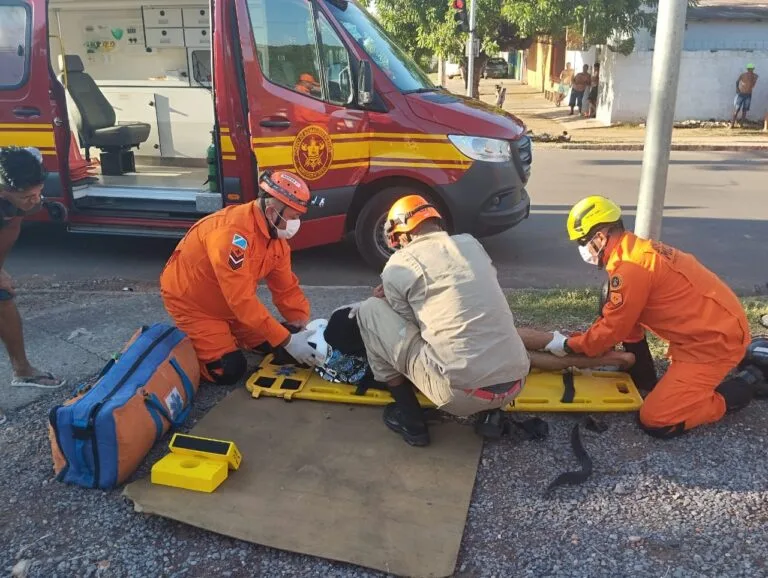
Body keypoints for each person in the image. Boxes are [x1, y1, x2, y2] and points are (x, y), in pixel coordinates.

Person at [348, 195, 636, 446]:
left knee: (369, 310)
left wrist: (388, 297)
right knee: (486, 331)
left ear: (402, 237)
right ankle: (492, 410)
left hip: (459, 396)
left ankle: (410, 421)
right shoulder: (470, 244)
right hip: (515, 383)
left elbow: (410, 328)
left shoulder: (398, 264)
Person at [544, 195, 761, 439]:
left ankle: (743, 386)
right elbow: (619, 319)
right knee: (616, 303)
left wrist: (569, 345)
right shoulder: (634, 253)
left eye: (582, 242)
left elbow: (610, 330)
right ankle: (645, 378)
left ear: (601, 236)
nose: (581, 249)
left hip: (714, 344)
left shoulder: (631, 268)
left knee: (656, 419)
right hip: (707, 329)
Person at [159, 169, 325, 385]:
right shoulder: (231, 235)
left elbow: (286, 289)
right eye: (294, 217)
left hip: (232, 306)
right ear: (273, 212)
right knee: (228, 369)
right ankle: (187, 353)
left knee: (284, 339)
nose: (296, 224)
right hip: (194, 305)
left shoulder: (275, 239)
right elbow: (241, 299)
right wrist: (287, 340)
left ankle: (232, 336)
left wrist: (302, 325)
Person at [0, 147, 66, 424]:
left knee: (3, 299)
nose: (34, 201)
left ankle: (23, 370)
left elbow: (10, 228)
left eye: (38, 193)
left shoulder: (20, 182)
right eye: (27, 197)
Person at [731, 64, 759, 129]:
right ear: (747, 69)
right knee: (737, 109)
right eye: (749, 69)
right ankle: (732, 124)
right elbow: (737, 81)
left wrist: (753, 79)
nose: (750, 70)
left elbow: (753, 86)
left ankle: (741, 125)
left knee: (744, 110)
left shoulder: (755, 76)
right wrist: (737, 89)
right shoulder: (743, 75)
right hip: (741, 94)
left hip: (748, 94)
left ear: (753, 69)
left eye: (751, 69)